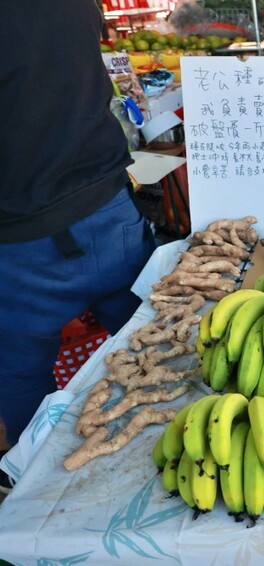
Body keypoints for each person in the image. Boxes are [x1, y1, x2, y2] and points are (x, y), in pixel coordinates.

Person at [0, 0, 156, 490]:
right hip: (105, 206)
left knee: (23, 368)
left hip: (23, 235)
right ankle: (166, 446)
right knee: (154, 333)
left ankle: (41, 484)